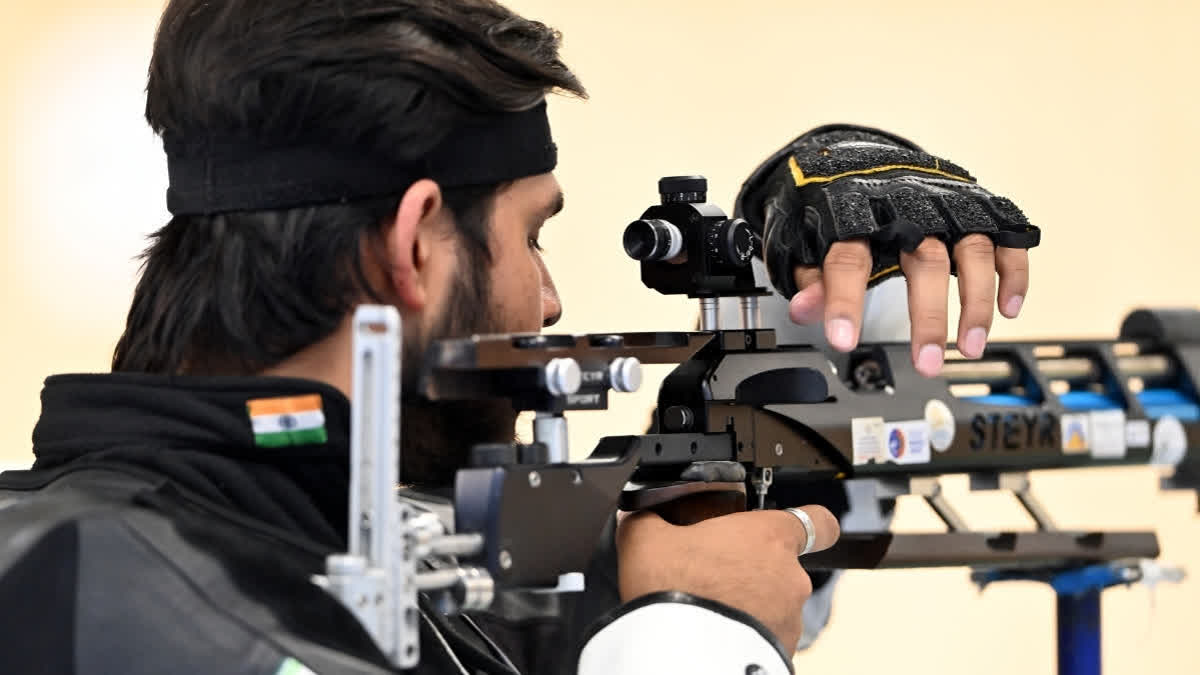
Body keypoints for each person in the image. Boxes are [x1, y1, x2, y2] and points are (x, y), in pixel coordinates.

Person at [0, 1, 1035, 673]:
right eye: (531, 236)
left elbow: (753, 563)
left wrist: (826, 322)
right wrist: (686, 644)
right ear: (411, 249)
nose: (546, 298)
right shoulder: (89, 581)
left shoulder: (376, 538)